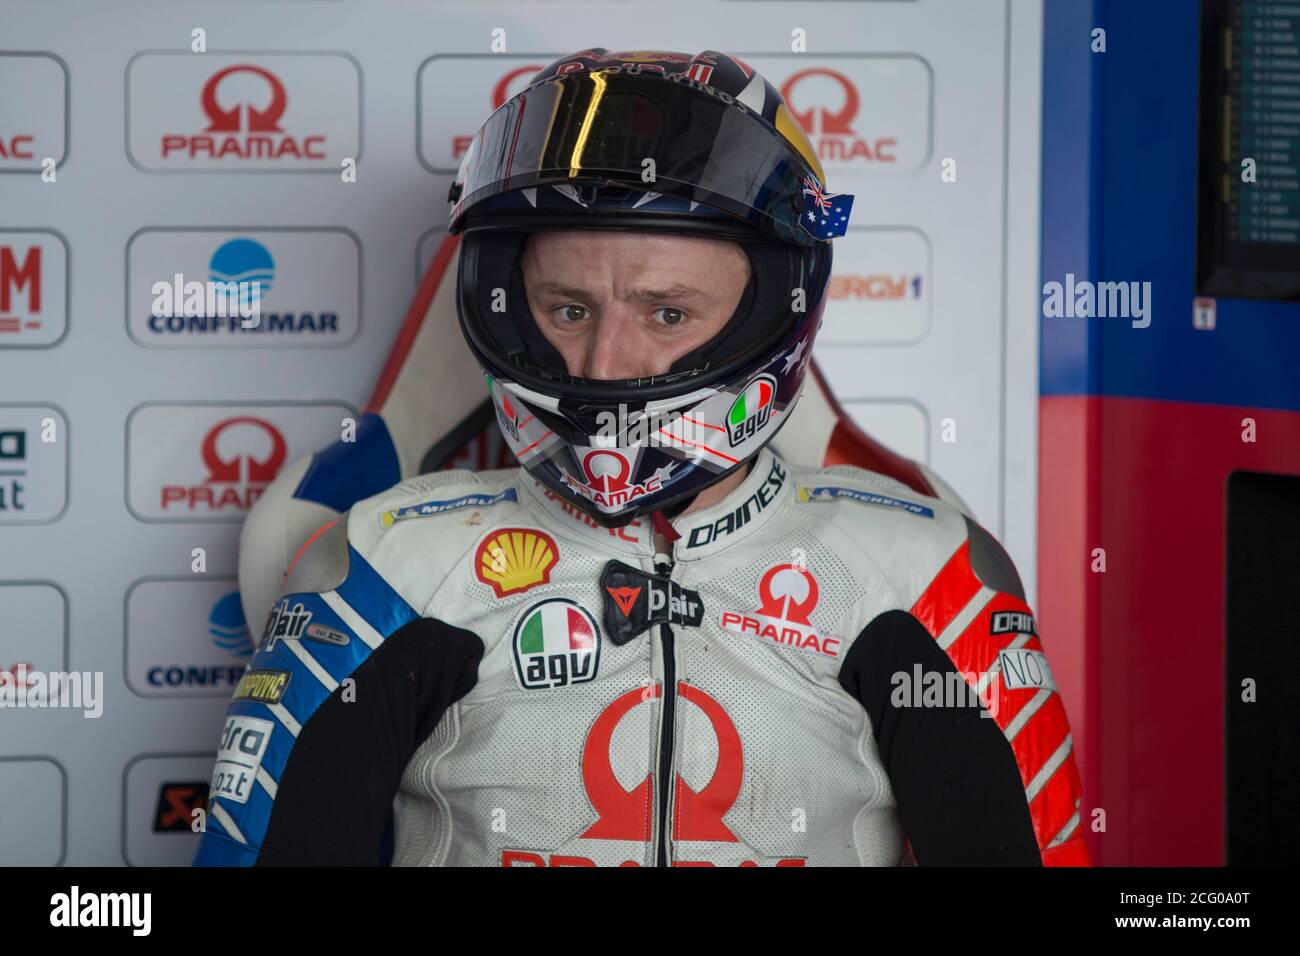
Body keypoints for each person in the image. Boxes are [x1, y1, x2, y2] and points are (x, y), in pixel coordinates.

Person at [194, 48, 1090, 866]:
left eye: (666, 314)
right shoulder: (385, 567)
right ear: (510, 302)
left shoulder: (925, 575)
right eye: (568, 309)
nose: (604, 367)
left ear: (770, 312)